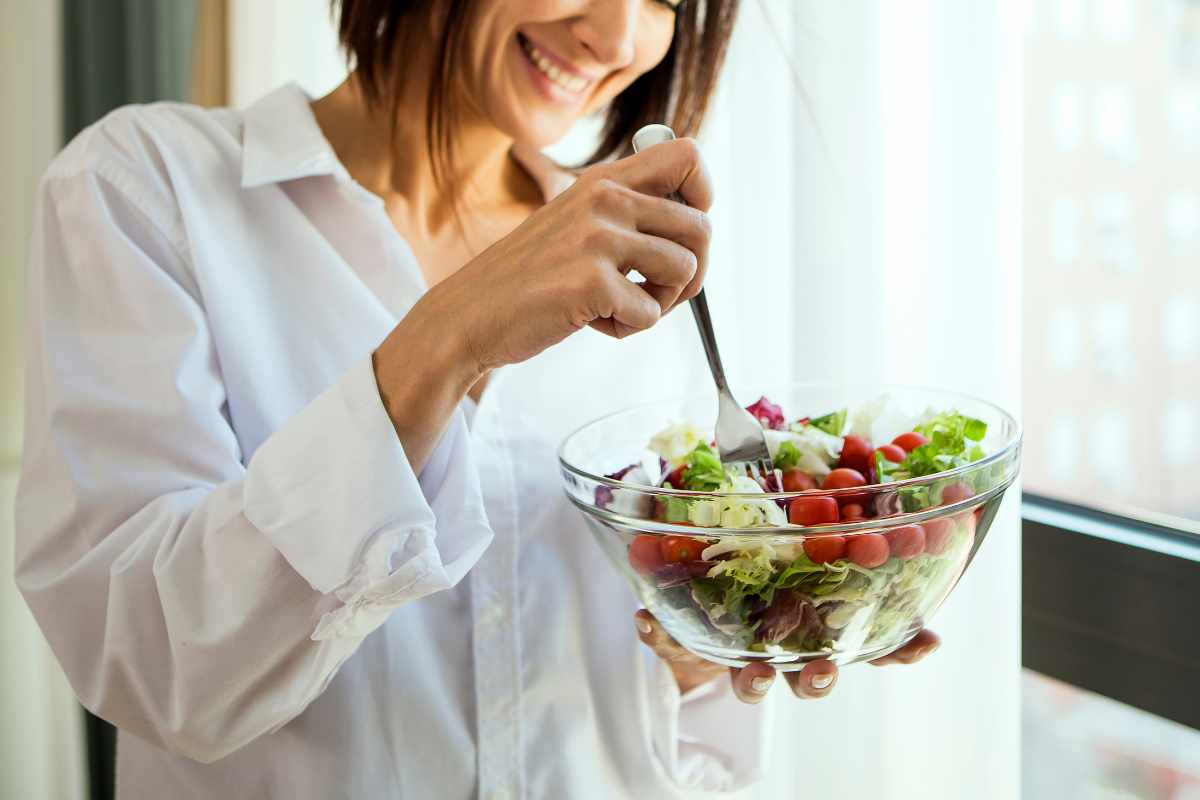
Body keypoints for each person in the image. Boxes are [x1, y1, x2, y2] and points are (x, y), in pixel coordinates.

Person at [15, 1, 937, 797]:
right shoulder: (146, 188)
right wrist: (446, 338)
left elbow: (656, 732)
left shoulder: (635, 263)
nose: (617, 32)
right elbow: (146, 659)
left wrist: (709, 646)